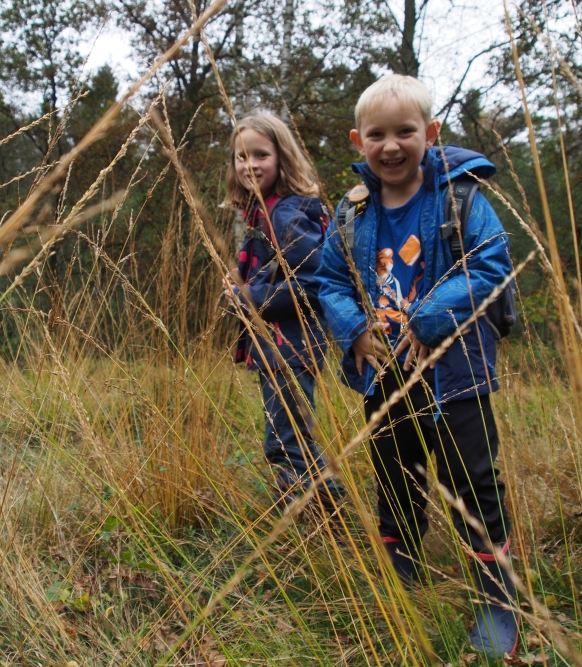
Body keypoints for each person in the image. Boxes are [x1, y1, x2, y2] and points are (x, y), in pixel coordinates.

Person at [315, 75, 519, 657]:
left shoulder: (458, 198)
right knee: (396, 473)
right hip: (385, 373)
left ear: (429, 134)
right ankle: (401, 569)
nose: (391, 145)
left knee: (472, 478)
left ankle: (496, 593)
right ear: (360, 141)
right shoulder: (353, 213)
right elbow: (329, 279)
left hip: (454, 372)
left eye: (405, 131)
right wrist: (353, 329)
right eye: (377, 134)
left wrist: (428, 319)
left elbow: (490, 264)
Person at [222, 113, 345, 517]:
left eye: (261, 154)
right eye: (241, 156)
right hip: (278, 346)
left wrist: (247, 297)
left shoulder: (286, 213)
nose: (249, 165)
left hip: (290, 345)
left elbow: (310, 285)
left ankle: (327, 519)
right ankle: (306, 514)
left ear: (282, 157)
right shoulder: (262, 212)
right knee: (288, 437)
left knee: (287, 442)